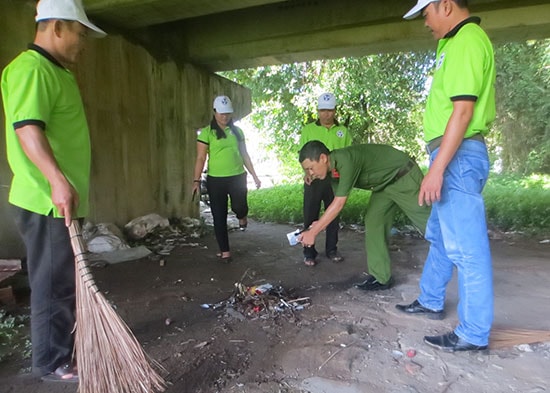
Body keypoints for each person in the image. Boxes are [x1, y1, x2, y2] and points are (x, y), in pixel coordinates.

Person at [1, 0, 106, 382]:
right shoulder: (32, 69)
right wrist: (58, 183)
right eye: (79, 33)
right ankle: (51, 363)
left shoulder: (55, 71)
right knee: (52, 283)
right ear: (57, 27)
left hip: (59, 200)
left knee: (62, 279)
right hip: (46, 201)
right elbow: (28, 129)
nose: (83, 42)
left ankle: (60, 350)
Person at [395, 0, 496, 352]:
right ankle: (431, 299)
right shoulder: (453, 42)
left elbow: (463, 110)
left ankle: (473, 333)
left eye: (426, 13)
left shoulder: (468, 39)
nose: (425, 22)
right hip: (451, 154)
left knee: (467, 250)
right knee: (440, 235)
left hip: (457, 156)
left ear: (447, 5)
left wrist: (437, 170)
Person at [297, 141, 431, 290]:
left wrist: (314, 233)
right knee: (374, 222)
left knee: (431, 226)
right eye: (306, 170)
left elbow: (339, 203)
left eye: (310, 168)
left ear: (323, 158)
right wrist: (317, 225)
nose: (310, 173)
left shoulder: (345, 160)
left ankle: (459, 256)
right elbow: (334, 206)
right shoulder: (331, 174)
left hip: (404, 176)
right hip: (384, 186)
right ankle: (381, 278)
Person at [192, 95, 261, 262]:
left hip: (237, 176)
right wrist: (196, 180)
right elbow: (200, 158)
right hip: (216, 180)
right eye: (221, 113)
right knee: (219, 215)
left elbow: (244, 154)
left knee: (240, 206)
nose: (225, 116)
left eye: (228, 113)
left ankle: (242, 216)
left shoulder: (237, 131)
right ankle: (225, 251)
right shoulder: (206, 133)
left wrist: (254, 175)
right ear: (214, 112)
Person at [299, 92, 352, 266]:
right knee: (310, 214)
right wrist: (307, 173)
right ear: (318, 111)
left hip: (335, 180)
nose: (326, 114)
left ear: (335, 111)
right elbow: (303, 156)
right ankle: (309, 252)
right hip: (313, 180)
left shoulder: (342, 131)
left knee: (333, 216)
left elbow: (349, 155)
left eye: (329, 110)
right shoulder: (308, 130)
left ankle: (331, 249)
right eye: (322, 110)